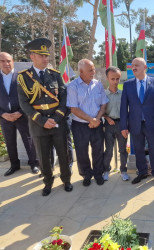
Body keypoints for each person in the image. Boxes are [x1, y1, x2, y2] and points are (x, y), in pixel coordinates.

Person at [17, 38, 73, 196]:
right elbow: (24, 103)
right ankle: (48, 182)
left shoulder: (55, 75)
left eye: (47, 55)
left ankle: (66, 180)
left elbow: (63, 98)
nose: (45, 59)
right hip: (38, 124)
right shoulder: (23, 77)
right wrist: (42, 120)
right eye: (41, 56)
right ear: (32, 56)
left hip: (58, 122)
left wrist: (55, 118)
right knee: (43, 156)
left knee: (63, 153)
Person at [120, 57, 154, 189]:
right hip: (135, 123)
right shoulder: (128, 84)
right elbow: (124, 107)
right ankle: (142, 173)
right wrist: (124, 126)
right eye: (132, 65)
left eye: (137, 65)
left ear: (145, 68)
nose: (133, 67)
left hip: (152, 123)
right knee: (138, 149)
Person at [0, 52, 39, 176]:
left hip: (22, 115)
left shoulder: (22, 77)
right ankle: (14, 165)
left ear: (12, 61)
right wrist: (2, 114)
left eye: (8, 60)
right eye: (2, 61)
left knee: (28, 139)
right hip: (5, 117)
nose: (6, 63)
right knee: (10, 141)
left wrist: (20, 112)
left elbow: (30, 97)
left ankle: (33, 163)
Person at [67, 59, 108, 187]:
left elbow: (104, 103)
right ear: (81, 71)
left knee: (98, 149)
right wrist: (91, 120)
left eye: (94, 69)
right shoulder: (73, 86)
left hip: (97, 123)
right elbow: (74, 108)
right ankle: (86, 174)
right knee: (81, 151)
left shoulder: (98, 84)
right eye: (90, 70)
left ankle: (98, 173)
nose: (93, 72)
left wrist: (96, 119)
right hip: (80, 125)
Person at [103, 66, 129, 181]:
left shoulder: (124, 94)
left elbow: (128, 111)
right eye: (112, 79)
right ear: (107, 78)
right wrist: (106, 118)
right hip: (108, 125)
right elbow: (100, 111)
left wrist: (126, 126)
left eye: (117, 79)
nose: (115, 82)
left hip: (122, 124)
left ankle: (123, 170)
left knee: (122, 149)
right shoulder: (103, 94)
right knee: (108, 149)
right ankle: (106, 170)